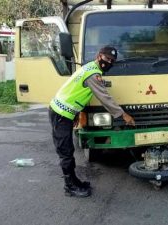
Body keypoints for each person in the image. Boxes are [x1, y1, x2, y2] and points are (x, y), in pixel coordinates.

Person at [48, 46, 135, 197]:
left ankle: (74, 181)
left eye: (112, 61)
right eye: (107, 59)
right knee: (66, 151)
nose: (109, 63)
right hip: (60, 113)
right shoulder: (94, 74)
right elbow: (104, 97)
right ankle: (69, 187)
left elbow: (76, 92)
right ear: (99, 56)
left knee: (68, 150)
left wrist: (75, 114)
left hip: (65, 113)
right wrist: (123, 115)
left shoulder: (90, 67)